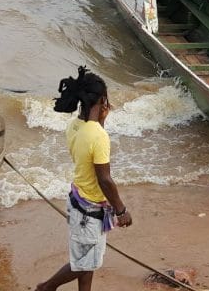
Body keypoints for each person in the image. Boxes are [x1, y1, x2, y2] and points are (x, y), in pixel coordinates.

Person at [37, 66, 133, 291]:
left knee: (87, 263)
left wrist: (100, 121)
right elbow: (105, 179)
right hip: (89, 212)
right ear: (102, 100)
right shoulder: (98, 136)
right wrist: (121, 210)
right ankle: (46, 287)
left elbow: (90, 144)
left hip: (77, 202)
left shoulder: (75, 126)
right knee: (82, 264)